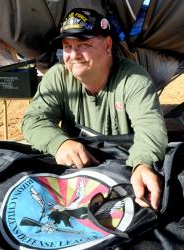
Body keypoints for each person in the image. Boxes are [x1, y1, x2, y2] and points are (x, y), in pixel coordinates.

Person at [22, 8, 168, 210]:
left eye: (83, 45)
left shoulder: (133, 79)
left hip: (122, 177)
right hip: (76, 182)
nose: (73, 55)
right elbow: (33, 120)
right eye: (67, 46)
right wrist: (59, 143)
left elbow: (150, 126)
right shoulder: (57, 77)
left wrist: (142, 163)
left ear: (107, 45)